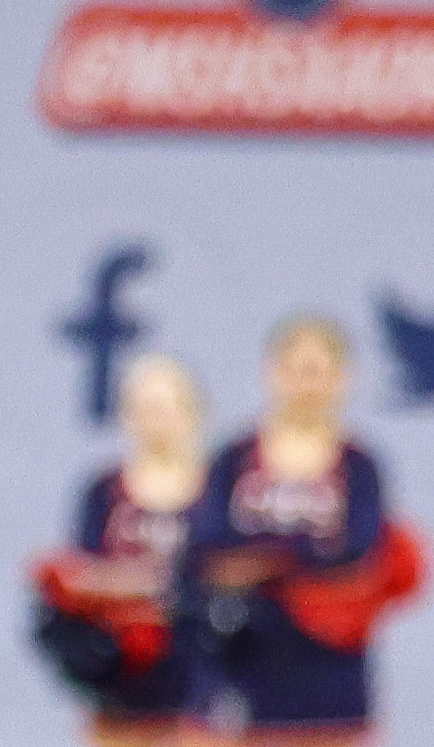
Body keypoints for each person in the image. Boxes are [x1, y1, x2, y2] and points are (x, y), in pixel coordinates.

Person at [191, 313, 408, 744]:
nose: (308, 382)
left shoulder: (359, 466)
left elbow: (358, 552)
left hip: (331, 670)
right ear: (272, 371)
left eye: (320, 371)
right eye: (297, 369)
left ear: (344, 378)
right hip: (241, 660)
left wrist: (263, 561)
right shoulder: (232, 460)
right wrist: (305, 554)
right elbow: (206, 549)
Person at [34, 349, 211, 744]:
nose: (158, 420)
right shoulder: (104, 492)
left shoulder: (216, 493)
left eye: (168, 408)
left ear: (194, 414)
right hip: (119, 691)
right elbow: (82, 579)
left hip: (199, 691)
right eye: (146, 408)